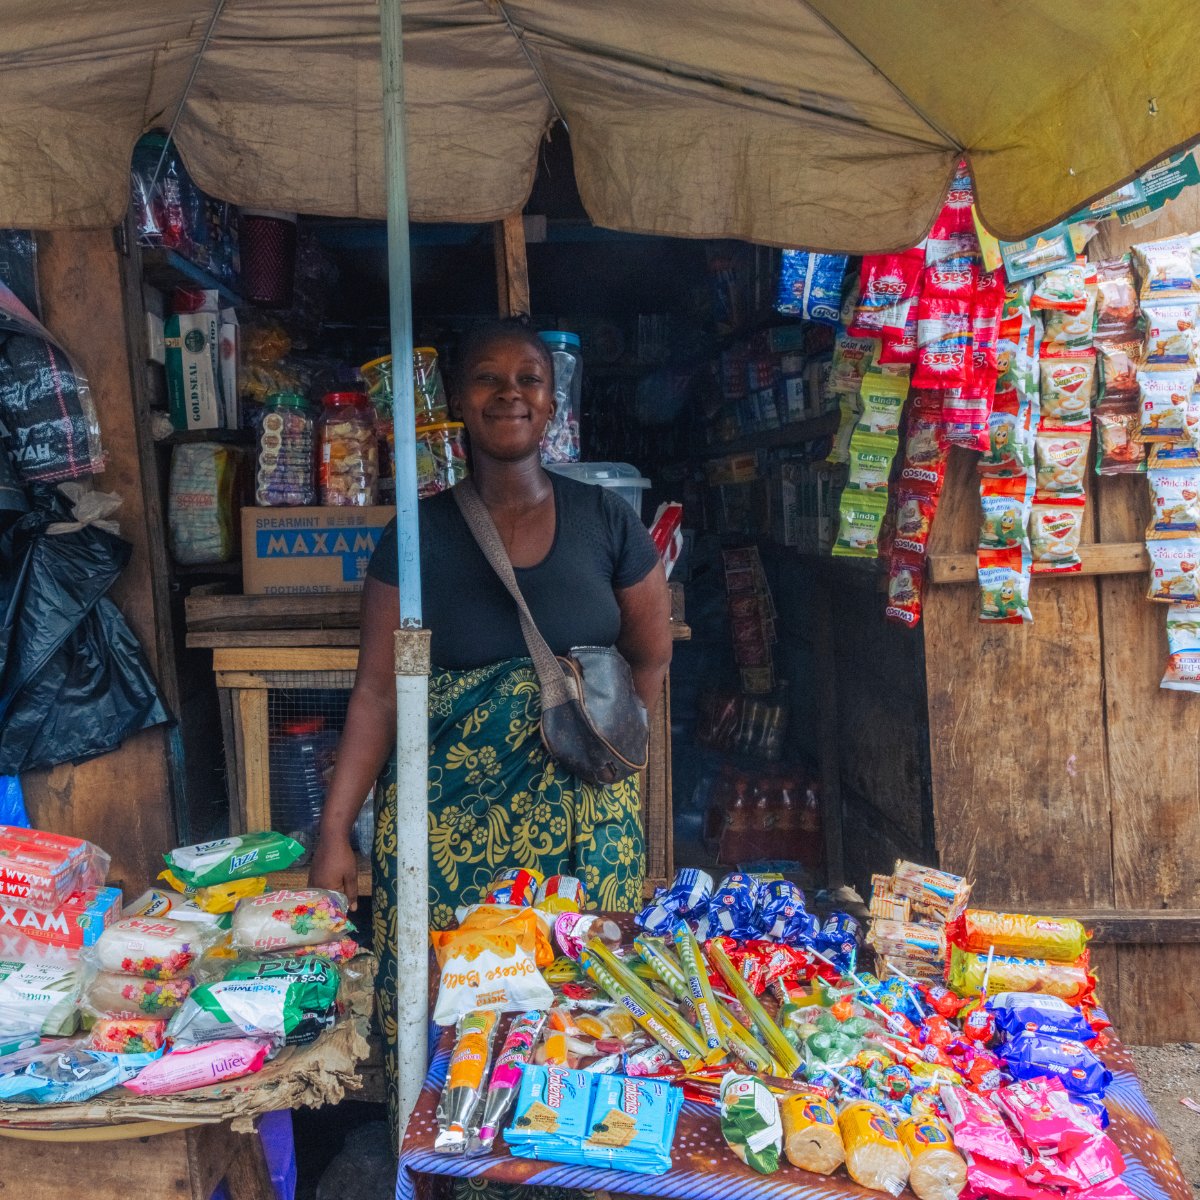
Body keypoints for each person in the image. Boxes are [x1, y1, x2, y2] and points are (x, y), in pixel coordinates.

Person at [310, 319, 672, 1142]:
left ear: (552, 402)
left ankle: (572, 1167)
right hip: (446, 833)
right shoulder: (418, 536)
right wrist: (334, 832)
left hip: (583, 824)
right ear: (458, 401)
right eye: (487, 378)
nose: (510, 393)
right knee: (453, 1003)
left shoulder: (606, 520)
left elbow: (649, 656)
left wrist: (607, 750)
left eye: (529, 379)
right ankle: (451, 1164)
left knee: (577, 1001)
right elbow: (376, 689)